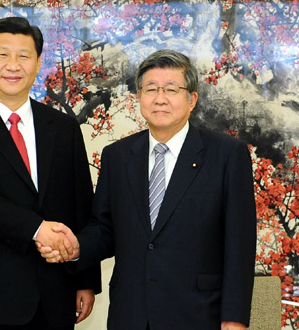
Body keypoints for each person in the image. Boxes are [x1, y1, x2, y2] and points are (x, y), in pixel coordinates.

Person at [38, 50, 257, 330]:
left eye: (171, 89)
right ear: (139, 97)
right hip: (131, 314)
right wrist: (76, 247)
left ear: (192, 100)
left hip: (200, 314)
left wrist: (234, 319)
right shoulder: (117, 156)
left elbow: (239, 243)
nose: (160, 98)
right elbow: (105, 229)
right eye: (151, 89)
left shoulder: (227, 155)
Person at [0, 17, 101, 330]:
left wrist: (86, 279)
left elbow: (81, 202)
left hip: (57, 290)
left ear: (38, 63)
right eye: (3, 54)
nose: (13, 65)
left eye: (24, 56)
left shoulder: (63, 127)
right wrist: (38, 229)